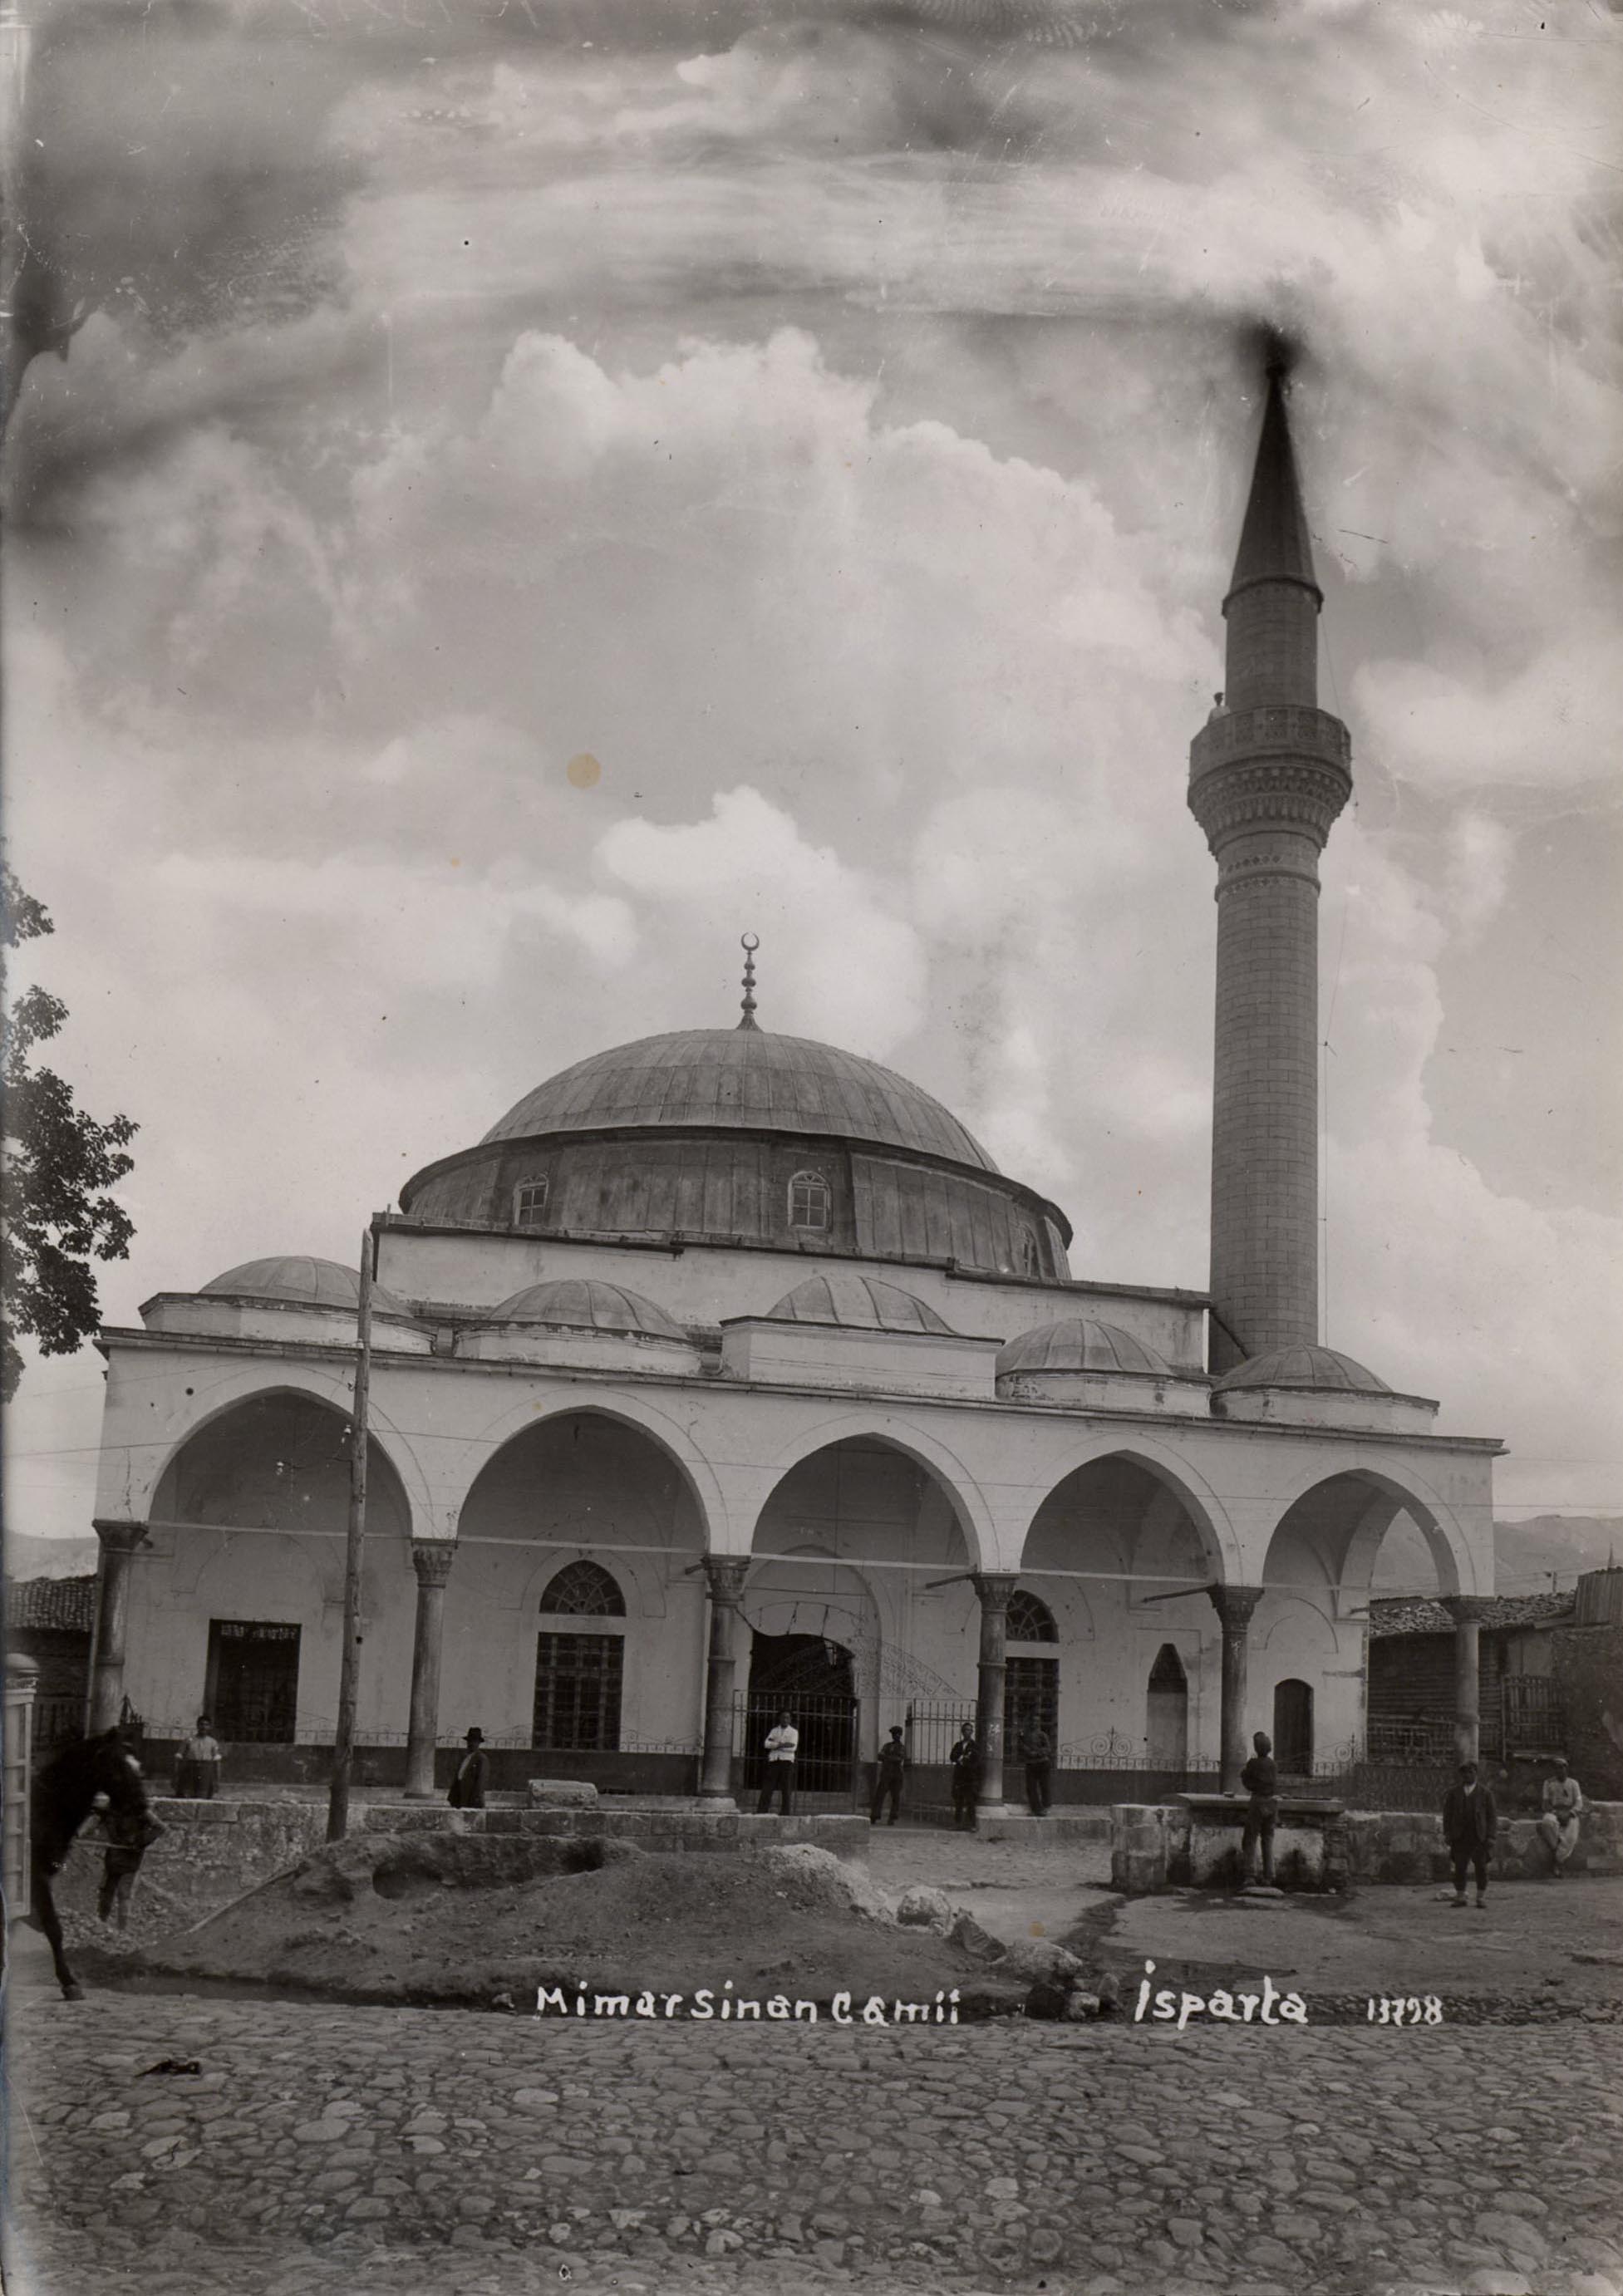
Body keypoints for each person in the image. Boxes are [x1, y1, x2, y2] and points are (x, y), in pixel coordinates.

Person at [96, 1798, 165, 1930]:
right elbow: (95, 1819)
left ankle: (122, 1930)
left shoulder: (140, 1810)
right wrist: (77, 1834)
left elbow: (160, 1827)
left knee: (124, 1893)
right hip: (113, 1857)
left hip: (130, 1858)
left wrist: (139, 1841)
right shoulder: (110, 1808)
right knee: (106, 1891)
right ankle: (100, 1925)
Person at [1442, 1759, 1498, 1908]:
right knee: (1460, 1867)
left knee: (1481, 1867)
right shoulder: (1454, 1793)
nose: (1467, 1776)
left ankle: (1481, 1897)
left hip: (1479, 1836)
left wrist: (1491, 1836)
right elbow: (1447, 1815)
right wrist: (1447, 1833)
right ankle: (1460, 1897)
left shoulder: (1485, 1793)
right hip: (1460, 1836)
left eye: (1470, 1772)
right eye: (1464, 1773)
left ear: (1476, 1774)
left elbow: (1492, 1817)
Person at [1240, 1729, 1279, 1885]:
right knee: (1268, 1839)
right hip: (1271, 1802)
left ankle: (1250, 1875)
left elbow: (1247, 1782)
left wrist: (1245, 1774)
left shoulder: (1253, 1764)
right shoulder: (1273, 1764)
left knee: (1250, 1838)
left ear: (1256, 1748)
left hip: (1257, 1802)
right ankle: (1269, 1876)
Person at [1537, 1758, 1584, 1878]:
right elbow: (1545, 1803)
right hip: (1554, 1811)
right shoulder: (1548, 1783)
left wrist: (1570, 1813)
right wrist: (1555, 1812)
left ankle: (1558, 1861)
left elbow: (1579, 1803)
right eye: (1556, 1768)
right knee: (1547, 1823)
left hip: (1570, 1812)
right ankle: (1557, 1852)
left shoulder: (1574, 1783)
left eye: (1561, 1767)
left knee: (1571, 1836)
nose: (1559, 1770)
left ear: (1566, 1768)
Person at [757, 1711, 798, 1814]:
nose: (785, 1720)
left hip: (787, 1762)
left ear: (790, 1719)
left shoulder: (794, 1732)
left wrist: (775, 1745)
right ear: (779, 1718)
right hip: (774, 1760)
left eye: (787, 1718)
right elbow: (766, 1744)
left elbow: (792, 1747)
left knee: (786, 1788)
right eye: (783, 1717)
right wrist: (782, 1745)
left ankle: (785, 1813)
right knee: (768, 1787)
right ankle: (762, 1811)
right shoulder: (774, 1731)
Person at [175, 1715, 222, 1799]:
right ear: (197, 1726)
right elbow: (178, 1758)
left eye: (206, 1725)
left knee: (203, 1796)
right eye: (201, 1724)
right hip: (190, 1769)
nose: (204, 1727)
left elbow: (217, 1762)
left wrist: (217, 1781)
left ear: (210, 1727)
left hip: (206, 1770)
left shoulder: (213, 1742)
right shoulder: (188, 1740)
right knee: (187, 1795)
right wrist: (176, 1777)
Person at [871, 1726, 907, 1826]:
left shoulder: (902, 1747)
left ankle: (892, 1817)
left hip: (896, 1775)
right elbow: (879, 1756)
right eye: (894, 1734)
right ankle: (875, 1815)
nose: (896, 1736)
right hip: (886, 1774)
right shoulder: (887, 1746)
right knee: (879, 1795)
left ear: (900, 1735)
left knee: (895, 1797)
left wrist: (887, 1758)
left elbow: (899, 1758)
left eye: (898, 1734)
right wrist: (890, 1758)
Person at [1018, 1718, 1053, 1816]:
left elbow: (1048, 1748)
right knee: (1031, 1788)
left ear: (1039, 1723)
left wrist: (1038, 1753)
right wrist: (1028, 1752)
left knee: (1044, 1786)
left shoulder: (1042, 1735)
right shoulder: (1025, 1735)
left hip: (1043, 1763)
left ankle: (1045, 1807)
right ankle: (1036, 1809)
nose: (1034, 1723)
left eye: (1036, 1721)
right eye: (1032, 1721)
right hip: (1030, 1764)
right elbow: (1021, 1746)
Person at [448, 1727, 488, 1809]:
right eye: (470, 1741)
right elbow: (458, 1777)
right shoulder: (464, 1757)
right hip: (459, 1797)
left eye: (474, 1741)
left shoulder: (481, 1759)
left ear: (478, 1743)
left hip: (470, 1799)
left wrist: (476, 1800)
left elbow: (481, 1782)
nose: (471, 1743)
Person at [949, 1721, 979, 1830]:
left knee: (970, 1802)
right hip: (959, 1777)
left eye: (970, 1730)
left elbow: (976, 1761)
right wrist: (961, 1757)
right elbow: (952, 1757)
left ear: (972, 1732)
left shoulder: (975, 1746)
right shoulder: (958, 1745)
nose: (967, 1732)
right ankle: (957, 1824)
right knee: (959, 1801)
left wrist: (964, 1762)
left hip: (970, 1778)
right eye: (965, 1730)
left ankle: (971, 1825)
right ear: (962, 1732)